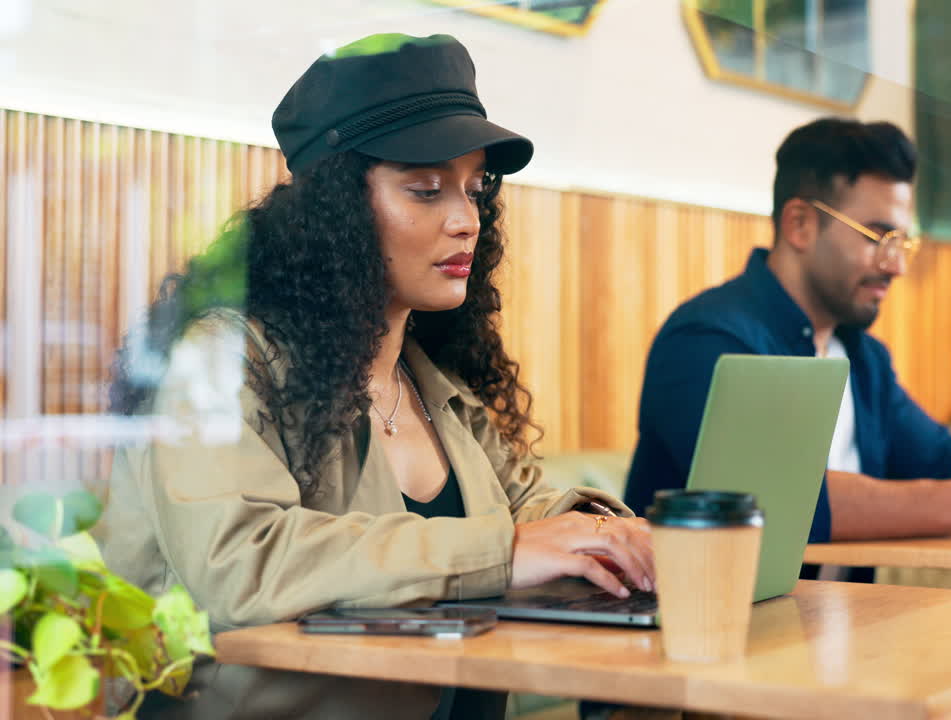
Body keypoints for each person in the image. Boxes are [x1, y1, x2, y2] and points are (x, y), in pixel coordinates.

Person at [98, 33, 652, 720]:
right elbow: (243, 563)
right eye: (426, 190)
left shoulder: (430, 380)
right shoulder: (219, 361)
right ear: (335, 209)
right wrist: (504, 551)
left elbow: (524, 506)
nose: (466, 220)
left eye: (475, 188)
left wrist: (611, 536)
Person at [613, 119, 951, 719]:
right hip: (703, 659)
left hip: (827, 646)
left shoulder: (862, 357)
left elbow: (942, 455)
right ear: (801, 224)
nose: (895, 264)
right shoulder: (708, 338)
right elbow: (782, 502)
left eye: (902, 240)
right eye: (877, 235)